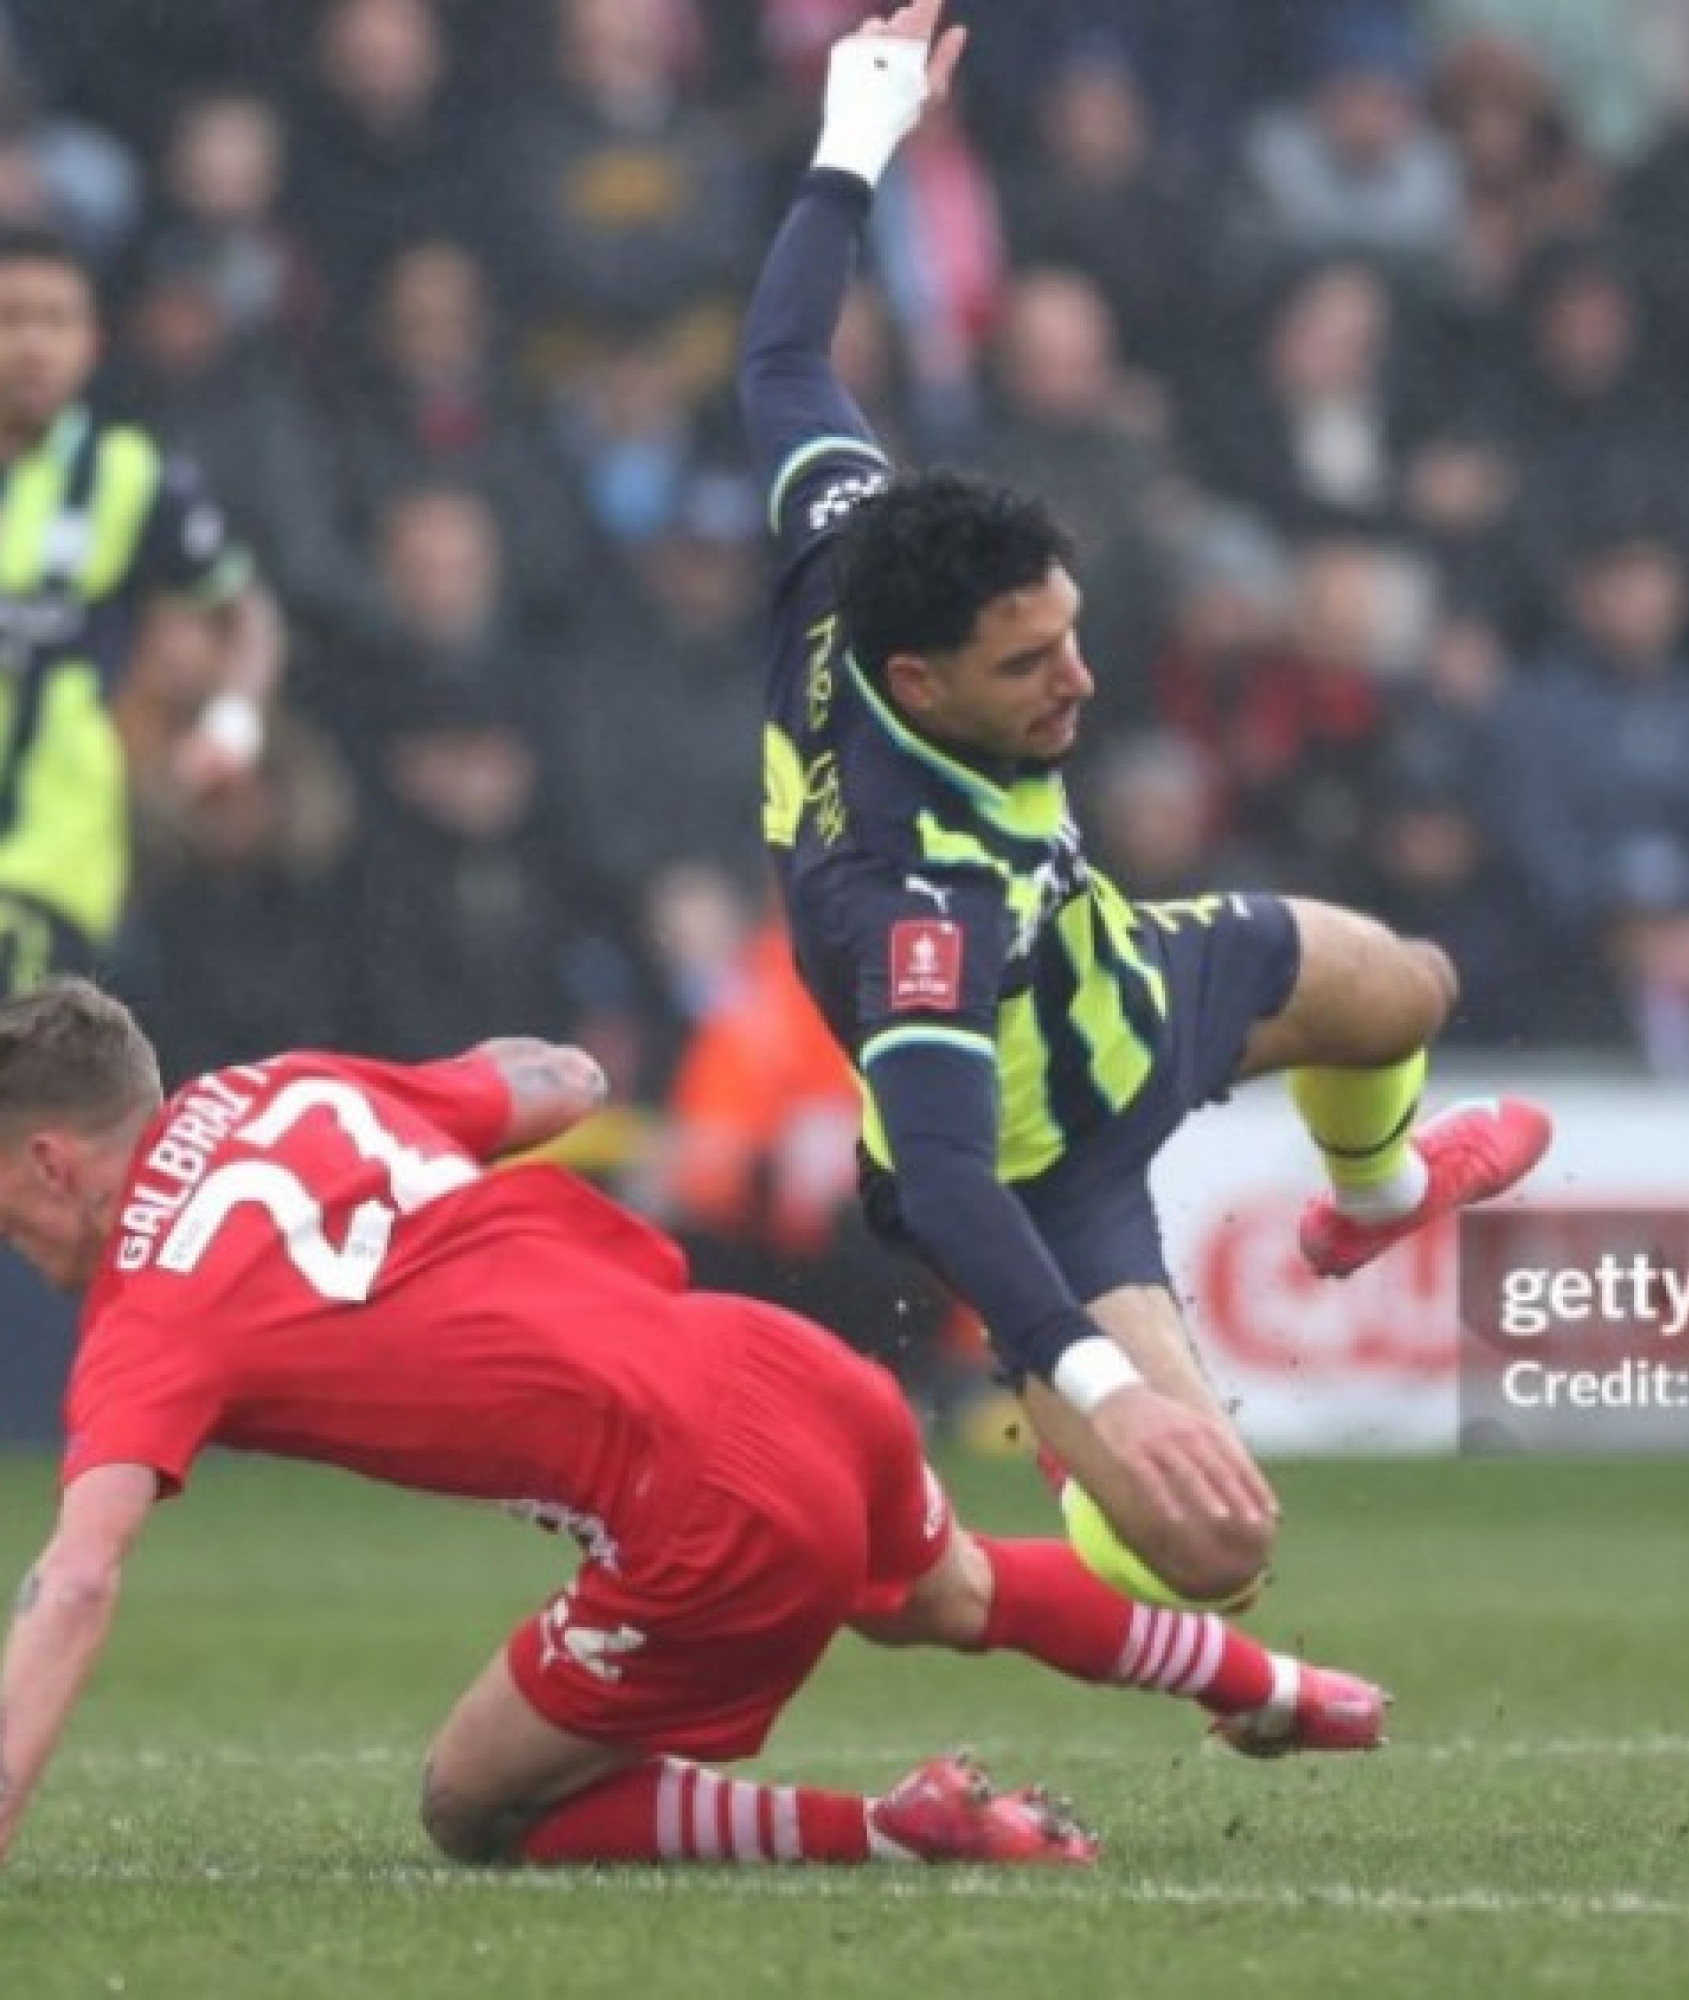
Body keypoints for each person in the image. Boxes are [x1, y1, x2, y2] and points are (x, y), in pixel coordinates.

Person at [737, 2, 1551, 1614]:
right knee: (1220, 1547)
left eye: (1074, 631)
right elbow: (953, 1186)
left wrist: (857, 131)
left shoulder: (851, 535)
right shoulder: (911, 902)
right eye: (1030, 663)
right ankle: (1078, 1451)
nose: (1081, 684)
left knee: (1411, 986)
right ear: (915, 682)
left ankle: (1370, 1205)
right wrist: (1091, 1385)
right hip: (1047, 1174)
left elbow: (779, 356)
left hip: (1126, 976)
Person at [0, 978, 1390, 1873]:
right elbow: (551, 1079)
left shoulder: (152, 1312)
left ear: (54, 1160)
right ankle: (1278, 1689)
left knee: (471, 1808)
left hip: (699, 1506)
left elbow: (76, 1575)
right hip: (780, 1364)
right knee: (943, 1589)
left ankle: (897, 1833)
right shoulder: (282, 1086)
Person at [0, 223, 282, 995]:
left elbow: (244, 609)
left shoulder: (130, 478)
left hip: (49, 856)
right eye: (10, 317)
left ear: (90, 344)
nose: (31, 344)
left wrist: (233, 722)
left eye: (54, 321)